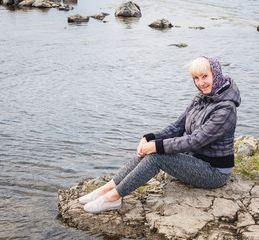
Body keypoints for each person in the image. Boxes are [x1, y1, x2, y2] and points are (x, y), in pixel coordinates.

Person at [79, 56, 241, 214]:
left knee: (157, 156)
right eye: (196, 78)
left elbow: (195, 141)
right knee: (148, 151)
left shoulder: (226, 109)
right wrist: (149, 138)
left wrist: (156, 146)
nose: (201, 83)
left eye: (205, 76)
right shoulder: (202, 97)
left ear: (216, 74)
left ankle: (113, 197)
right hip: (195, 161)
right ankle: (108, 188)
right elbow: (177, 126)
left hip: (215, 173)